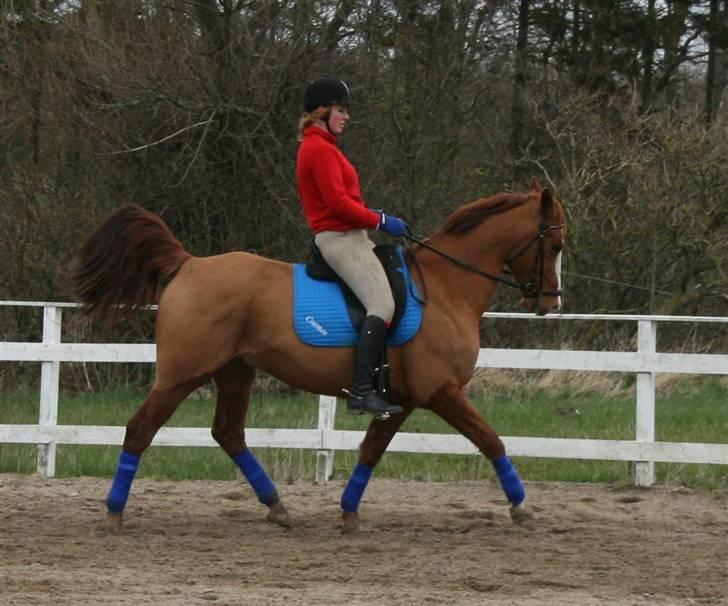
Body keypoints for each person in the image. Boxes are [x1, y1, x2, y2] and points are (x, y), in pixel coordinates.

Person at [296, 77, 407, 418]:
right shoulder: (318, 149)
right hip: (339, 239)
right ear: (321, 112)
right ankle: (361, 391)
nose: (346, 117)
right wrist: (380, 219)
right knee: (382, 305)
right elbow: (339, 205)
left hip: (353, 236)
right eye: (341, 110)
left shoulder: (326, 147)